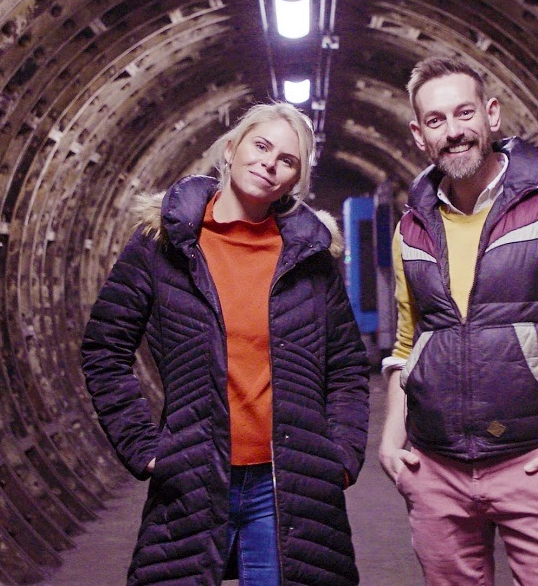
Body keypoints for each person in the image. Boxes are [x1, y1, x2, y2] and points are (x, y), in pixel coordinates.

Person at [81, 102, 370, 586]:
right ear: (232, 148)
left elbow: (345, 367)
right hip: (192, 476)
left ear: (294, 181)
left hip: (287, 484)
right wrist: (143, 447)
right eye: (260, 146)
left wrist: (339, 456)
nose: (269, 163)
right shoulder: (163, 245)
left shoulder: (311, 257)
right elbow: (104, 350)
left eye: (287, 160)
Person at [378, 57, 538, 585]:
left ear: (492, 115)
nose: (453, 132)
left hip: (531, 465)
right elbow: (409, 344)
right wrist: (390, 440)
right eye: (435, 120)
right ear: (419, 135)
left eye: (464, 113)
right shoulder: (411, 229)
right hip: (436, 468)